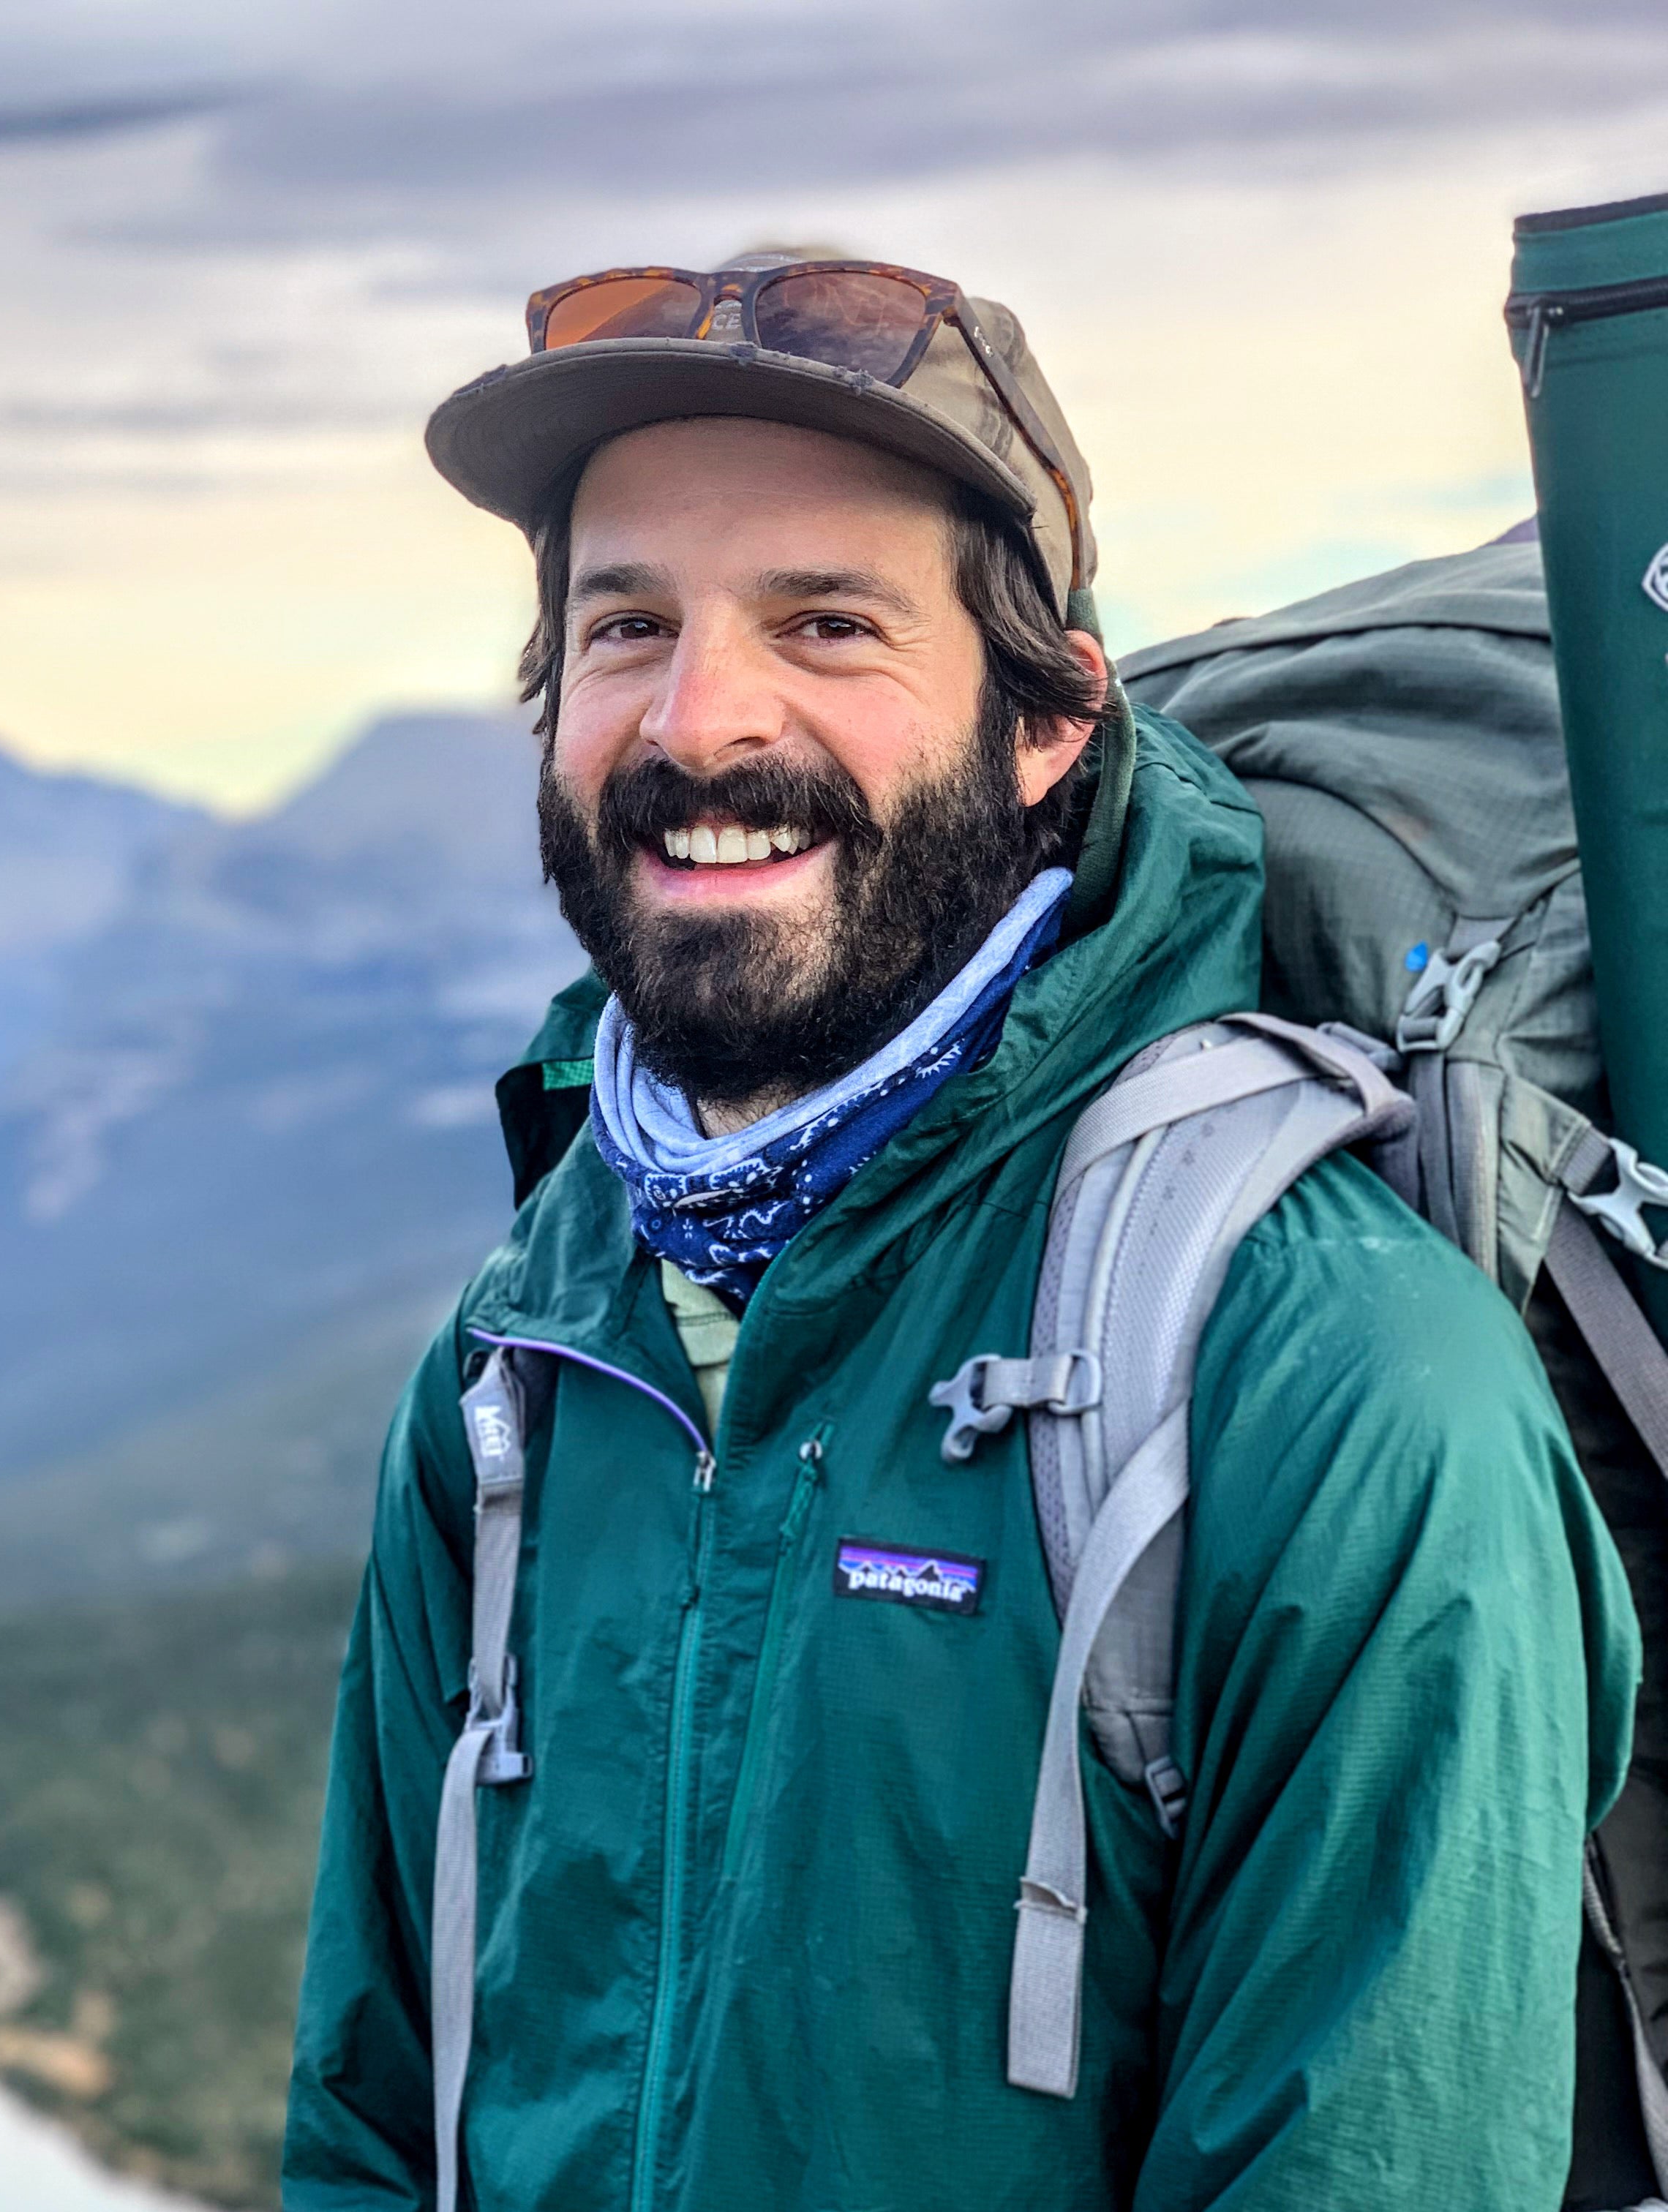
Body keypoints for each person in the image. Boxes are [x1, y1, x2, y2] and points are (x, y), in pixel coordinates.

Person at [280, 253, 1639, 2209]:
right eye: (625, 625)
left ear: (1048, 727)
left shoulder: (1320, 1381)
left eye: (828, 625)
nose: (699, 719)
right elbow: (369, 2131)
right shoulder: (533, 1352)